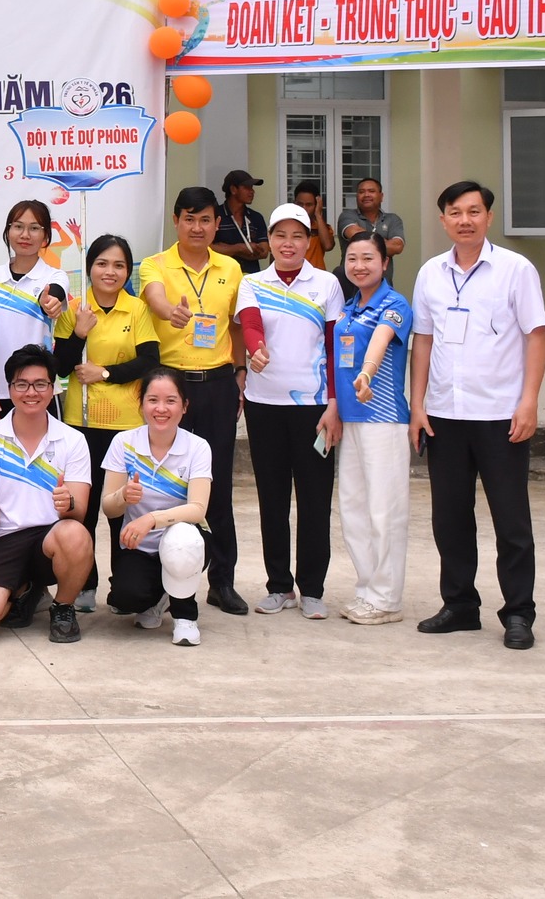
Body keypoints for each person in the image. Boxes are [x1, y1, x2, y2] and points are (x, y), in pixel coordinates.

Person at [410, 180, 545, 651]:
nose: (464, 220)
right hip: (444, 415)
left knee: (511, 520)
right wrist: (417, 405)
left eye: (474, 211)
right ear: (443, 220)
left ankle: (518, 613)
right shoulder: (430, 273)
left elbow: (536, 335)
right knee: (450, 518)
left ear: (489, 217)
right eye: (455, 212)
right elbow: (423, 340)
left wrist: (529, 401)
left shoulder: (515, 269)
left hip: (499, 415)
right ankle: (460, 606)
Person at [139, 187, 249, 616]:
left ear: (217, 224)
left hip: (218, 384)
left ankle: (222, 581)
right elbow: (155, 299)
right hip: (171, 386)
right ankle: (161, 586)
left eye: (205, 220)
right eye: (189, 218)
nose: (197, 227)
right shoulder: (155, 264)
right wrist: (171, 312)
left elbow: (236, 324)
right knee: (164, 485)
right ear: (176, 221)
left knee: (215, 485)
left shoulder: (232, 268)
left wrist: (240, 371)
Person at [236, 202, 345, 620]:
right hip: (264, 407)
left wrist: (334, 404)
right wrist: (256, 349)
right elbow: (250, 325)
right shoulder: (253, 282)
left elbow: (334, 347)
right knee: (273, 498)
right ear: (270, 241)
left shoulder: (326, 284)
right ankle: (279, 585)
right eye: (280, 235)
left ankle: (312, 589)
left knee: (315, 500)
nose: (288, 243)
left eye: (297, 236)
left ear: (308, 241)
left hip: (314, 410)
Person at [52, 234, 161, 611]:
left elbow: (149, 361)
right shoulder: (75, 308)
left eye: (119, 265)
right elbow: (60, 366)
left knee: (120, 508)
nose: (110, 272)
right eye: (102, 264)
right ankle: (84, 583)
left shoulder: (137, 309)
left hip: (125, 427)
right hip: (79, 423)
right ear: (89, 268)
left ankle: (123, 584)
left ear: (128, 271)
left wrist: (106, 373)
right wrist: (79, 332)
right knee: (81, 508)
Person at [0, 345, 94, 644]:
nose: (31, 392)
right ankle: (25, 590)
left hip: (50, 539)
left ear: (53, 388)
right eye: (22, 384)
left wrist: (68, 503)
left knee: (75, 534)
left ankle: (63, 607)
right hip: (2, 538)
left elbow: (79, 513)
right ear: (9, 388)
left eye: (40, 384)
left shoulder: (72, 440)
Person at [332, 230, 415, 626]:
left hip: (383, 420)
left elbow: (380, 341)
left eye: (368, 258)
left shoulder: (394, 304)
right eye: (352, 258)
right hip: (351, 420)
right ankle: (367, 589)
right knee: (353, 509)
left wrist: (366, 373)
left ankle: (387, 598)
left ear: (385, 263)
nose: (359, 266)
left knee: (385, 510)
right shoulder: (348, 307)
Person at [101, 367, 213, 647]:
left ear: (184, 406)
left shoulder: (198, 447)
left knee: (182, 540)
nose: (161, 409)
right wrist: (123, 495)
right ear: (141, 404)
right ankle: (162, 596)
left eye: (170, 401)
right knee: (125, 598)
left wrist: (151, 518)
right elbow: (109, 508)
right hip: (139, 544)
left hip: (185, 541)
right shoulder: (123, 443)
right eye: (153, 400)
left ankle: (185, 616)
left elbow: (197, 509)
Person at [0, 199, 67, 420]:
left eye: (34, 228)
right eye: (18, 226)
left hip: (41, 391)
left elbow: (54, 294)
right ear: (8, 232)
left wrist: (50, 303)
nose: (25, 235)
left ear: (45, 236)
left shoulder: (54, 276)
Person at [336, 178, 406, 298]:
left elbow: (397, 246)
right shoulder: (347, 216)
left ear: (381, 196)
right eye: (361, 192)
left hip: (383, 287)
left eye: (371, 191)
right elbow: (355, 234)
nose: (366, 195)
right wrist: (385, 244)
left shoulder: (392, 219)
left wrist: (367, 241)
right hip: (350, 288)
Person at [213, 169, 269, 274]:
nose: (252, 191)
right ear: (233, 189)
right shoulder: (215, 215)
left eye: (252, 188)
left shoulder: (256, 217)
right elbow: (207, 248)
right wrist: (240, 248)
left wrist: (226, 248)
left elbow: (264, 252)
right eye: (247, 187)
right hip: (221, 276)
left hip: (250, 277)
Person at [291, 180, 338, 270]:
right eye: (300, 204)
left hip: (316, 276)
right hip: (292, 275)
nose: (304, 208)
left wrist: (318, 215)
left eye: (309, 205)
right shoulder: (285, 227)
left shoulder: (321, 227)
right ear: (294, 204)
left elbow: (328, 246)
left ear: (316, 205)